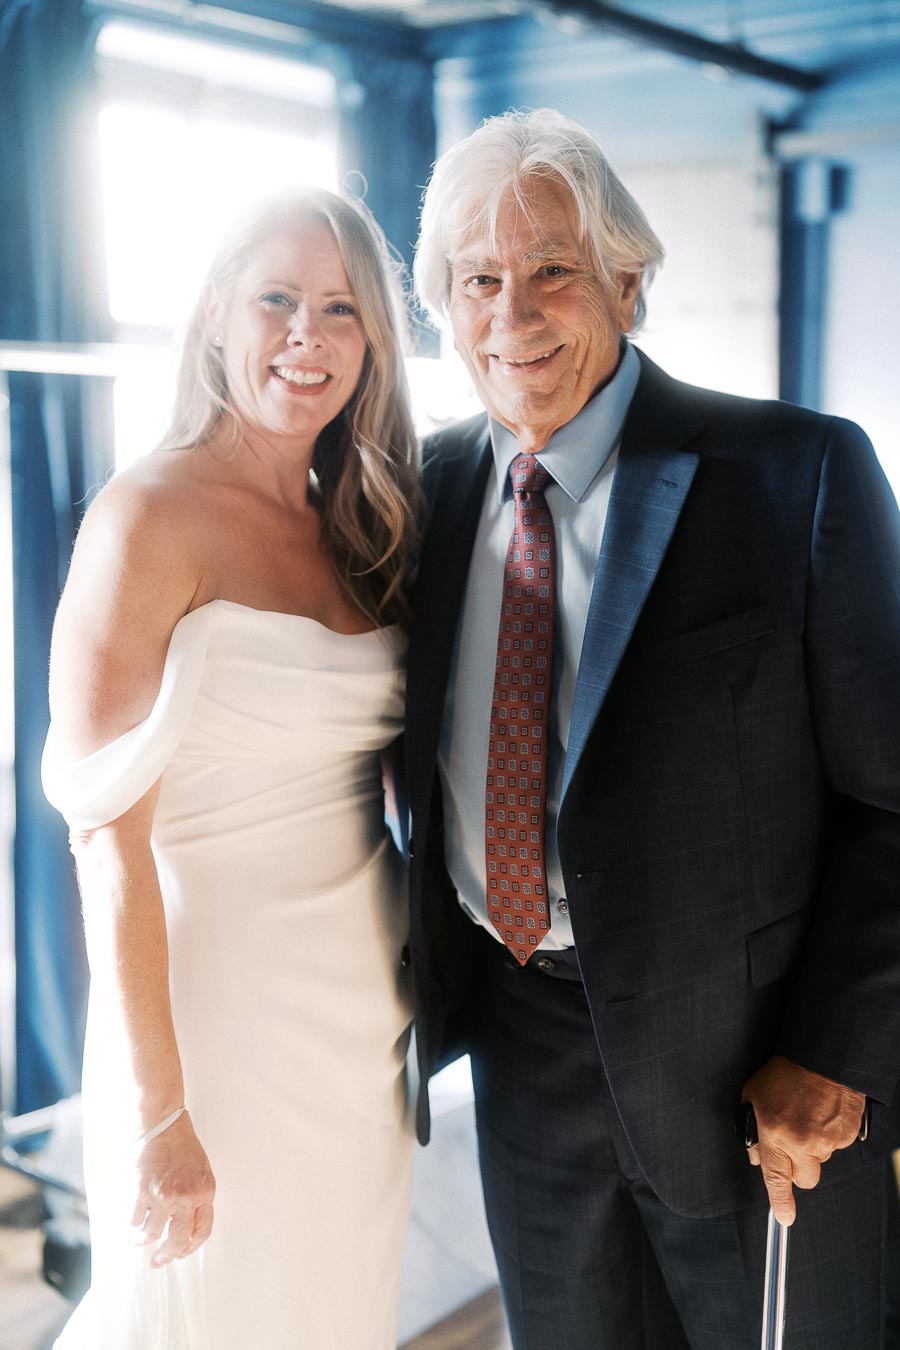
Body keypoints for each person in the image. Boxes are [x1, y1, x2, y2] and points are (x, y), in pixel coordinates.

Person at [404, 108, 900, 1349]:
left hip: (752, 1078)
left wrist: (835, 1053)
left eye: (552, 270)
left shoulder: (802, 475)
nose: (512, 315)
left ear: (628, 281)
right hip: (522, 1052)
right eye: (478, 280)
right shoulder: (421, 492)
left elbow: (892, 804)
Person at [41, 187, 421, 1349]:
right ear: (215, 316)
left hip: (362, 1029)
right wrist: (160, 1111)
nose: (307, 337)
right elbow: (105, 836)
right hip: (212, 1023)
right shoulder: (147, 516)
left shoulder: (362, 522)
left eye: (342, 310)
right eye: (277, 301)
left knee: (336, 1311)